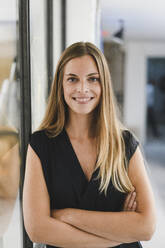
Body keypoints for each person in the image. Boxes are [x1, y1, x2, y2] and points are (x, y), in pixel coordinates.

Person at [23, 42, 156, 248]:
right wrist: (119, 233)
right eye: (72, 79)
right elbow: (37, 230)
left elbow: (146, 227)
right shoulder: (41, 145)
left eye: (93, 79)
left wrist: (68, 216)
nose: (82, 88)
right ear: (61, 85)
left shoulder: (124, 144)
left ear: (104, 85)